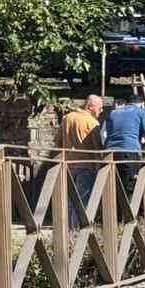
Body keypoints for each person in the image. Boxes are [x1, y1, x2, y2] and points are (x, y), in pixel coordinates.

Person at [100, 93, 145, 204]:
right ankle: (128, 213)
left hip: (109, 153)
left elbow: (107, 134)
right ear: (142, 104)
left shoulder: (113, 113)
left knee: (111, 186)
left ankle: (111, 212)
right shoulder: (142, 112)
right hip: (129, 151)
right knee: (129, 186)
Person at [57, 94, 103, 228]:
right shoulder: (92, 123)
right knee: (83, 200)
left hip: (68, 165)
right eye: (100, 108)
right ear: (90, 107)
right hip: (86, 166)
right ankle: (78, 230)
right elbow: (97, 147)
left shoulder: (67, 118)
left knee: (69, 200)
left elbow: (58, 141)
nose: (101, 111)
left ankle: (67, 229)